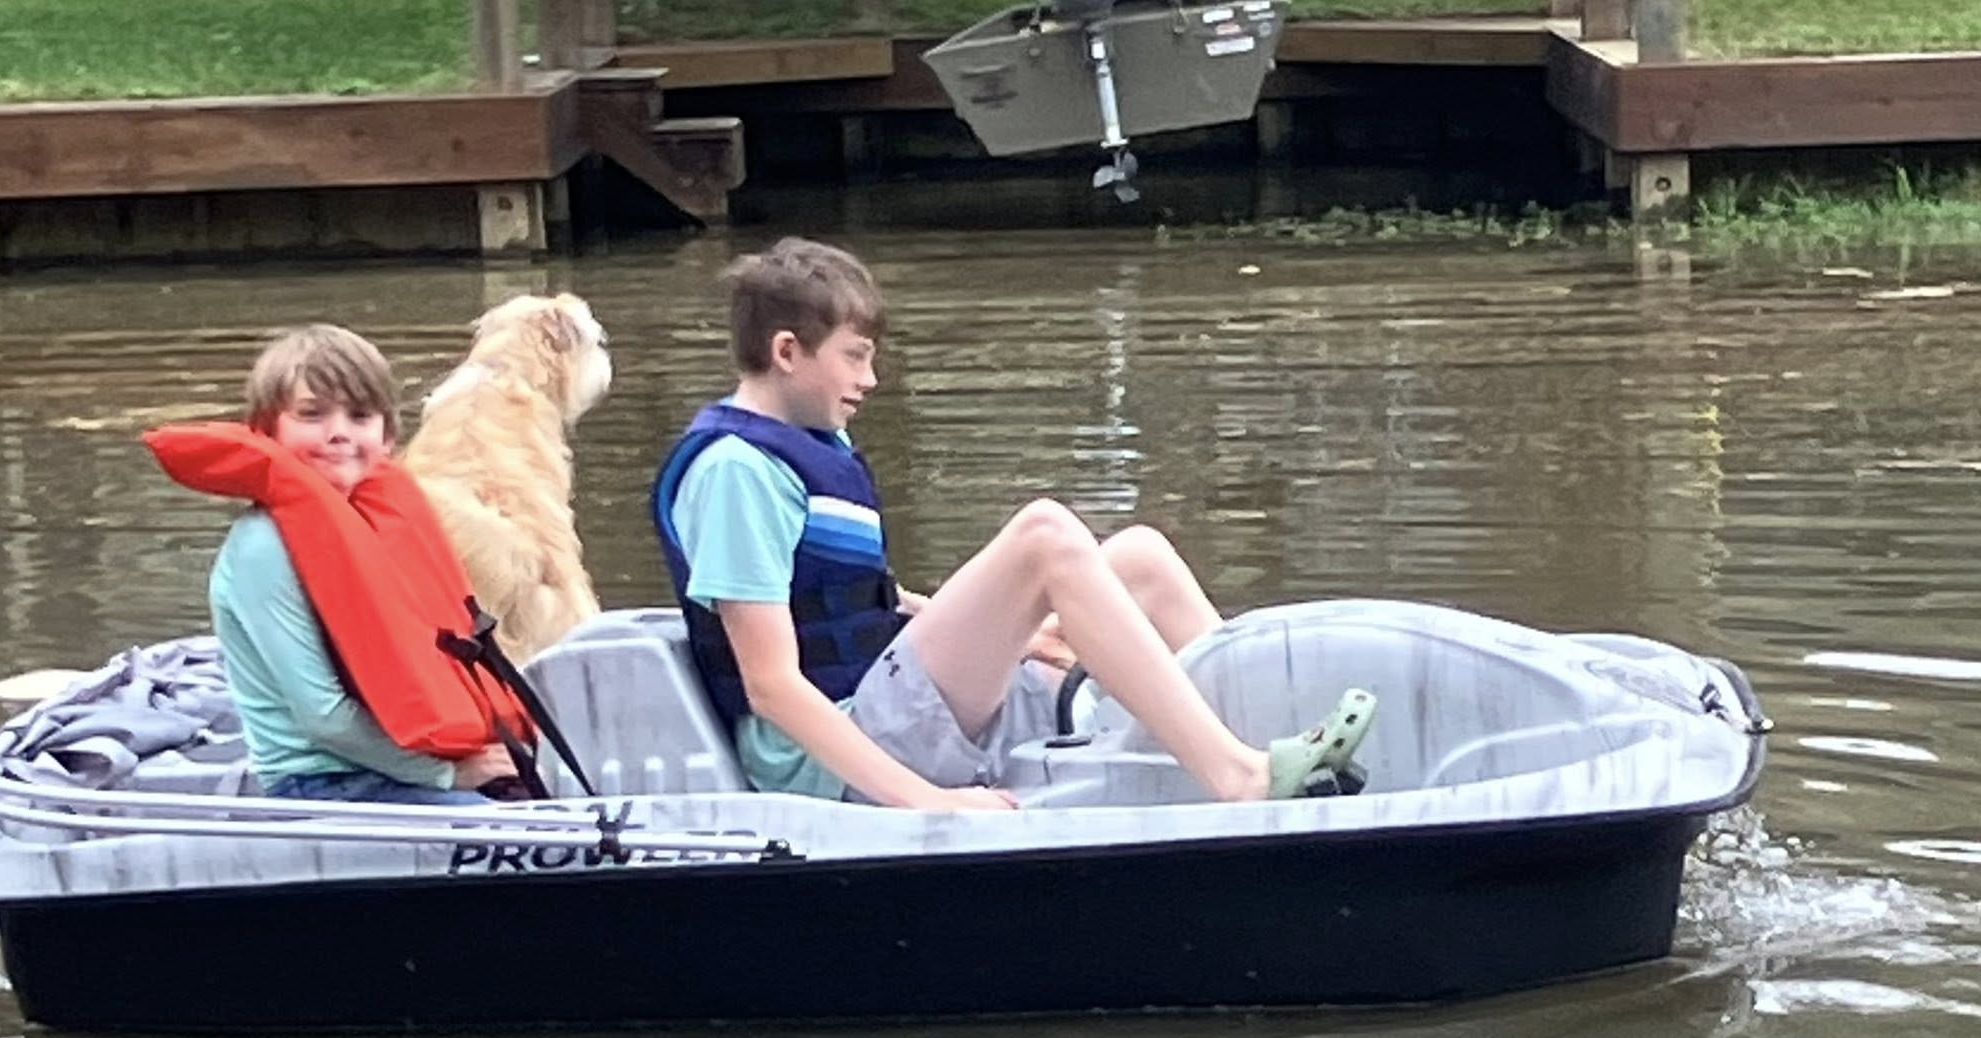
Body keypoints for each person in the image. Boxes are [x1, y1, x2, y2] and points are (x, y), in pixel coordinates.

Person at [650, 237, 1373, 811]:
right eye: (855, 356)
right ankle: (1240, 778)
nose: (870, 379)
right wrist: (929, 802)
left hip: (881, 699)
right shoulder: (736, 473)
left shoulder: (806, 446)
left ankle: (1269, 747)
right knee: (1047, 536)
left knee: (1140, 558)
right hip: (828, 759)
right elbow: (773, 684)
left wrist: (1017, 636)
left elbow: (862, 598)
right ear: (786, 352)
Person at [186, 325, 522, 805]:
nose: (339, 432)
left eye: (360, 416)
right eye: (312, 415)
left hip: (404, 762)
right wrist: (448, 776)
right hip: (320, 780)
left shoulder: (371, 522)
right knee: (519, 831)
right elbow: (322, 718)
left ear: (386, 437)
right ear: (267, 431)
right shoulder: (263, 547)